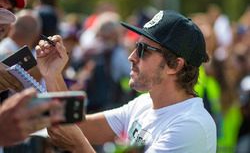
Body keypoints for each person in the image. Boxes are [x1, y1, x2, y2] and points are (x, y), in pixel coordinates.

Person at [36, 10, 217, 152]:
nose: (132, 56)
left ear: (175, 65)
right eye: (135, 46)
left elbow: (75, 134)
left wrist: (79, 146)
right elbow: (77, 125)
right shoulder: (145, 103)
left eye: (144, 50)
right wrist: (53, 75)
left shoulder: (190, 126)